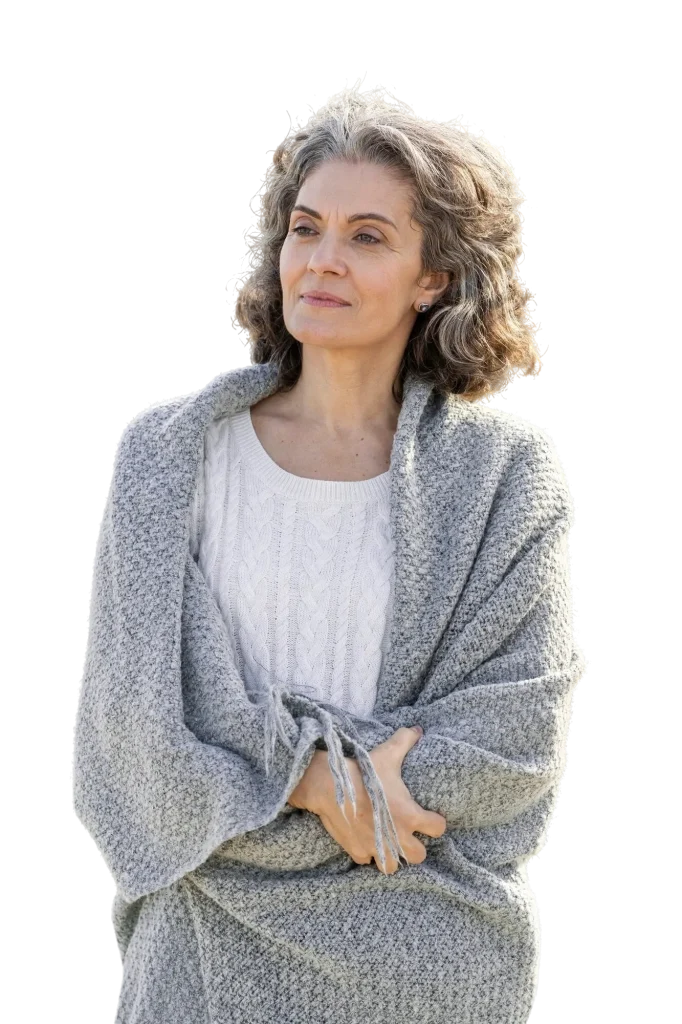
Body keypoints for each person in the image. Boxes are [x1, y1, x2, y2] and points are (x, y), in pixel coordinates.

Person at [75, 87, 581, 1023]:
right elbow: (129, 741)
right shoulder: (169, 456)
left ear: (435, 276)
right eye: (307, 229)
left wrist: (246, 797)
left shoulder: (509, 479)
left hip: (432, 954)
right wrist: (318, 782)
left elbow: (511, 745)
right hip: (203, 958)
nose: (322, 261)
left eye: (368, 237)